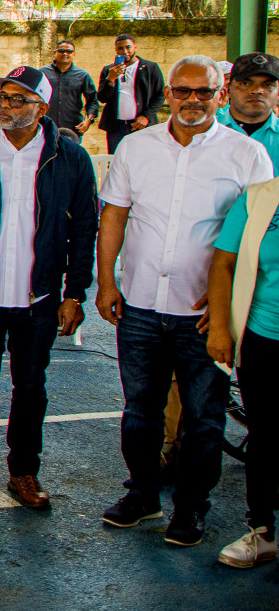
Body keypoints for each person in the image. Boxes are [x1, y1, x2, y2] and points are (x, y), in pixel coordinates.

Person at [96, 57, 271, 546]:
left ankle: (192, 507)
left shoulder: (247, 155)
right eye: (183, 90)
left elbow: (255, 240)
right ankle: (143, 494)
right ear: (168, 94)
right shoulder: (136, 147)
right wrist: (106, 283)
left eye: (204, 91)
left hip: (203, 315)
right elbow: (114, 217)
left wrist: (227, 305)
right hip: (140, 306)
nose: (193, 100)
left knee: (204, 418)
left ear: (221, 94)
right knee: (140, 412)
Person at [0, 65, 98, 508]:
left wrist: (75, 294)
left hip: (40, 296)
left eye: (18, 99)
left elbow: (85, 230)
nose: (6, 106)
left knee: (31, 385)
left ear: (42, 108)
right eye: (1, 97)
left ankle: (24, 470)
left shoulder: (71, 158)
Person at [203, 163, 279, 569]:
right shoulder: (259, 198)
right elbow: (223, 264)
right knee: (265, 436)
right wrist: (220, 328)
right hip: (264, 337)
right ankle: (261, 531)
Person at [96, 33, 165, 152]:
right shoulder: (109, 70)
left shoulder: (150, 68)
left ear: (135, 47)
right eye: (120, 48)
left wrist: (146, 116)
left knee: (143, 158)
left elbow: (160, 94)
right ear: (116, 50)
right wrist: (110, 79)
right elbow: (102, 98)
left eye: (128, 47)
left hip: (141, 125)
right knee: (116, 159)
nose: (125, 51)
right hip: (116, 128)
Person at [216, 52, 279, 164]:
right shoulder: (205, 134)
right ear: (228, 89)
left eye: (268, 85)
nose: (257, 91)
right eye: (245, 83)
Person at [40, 39, 99, 144]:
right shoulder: (42, 73)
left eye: (69, 51)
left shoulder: (82, 75)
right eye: (61, 51)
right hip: (46, 127)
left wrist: (88, 120)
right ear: (55, 52)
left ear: (74, 54)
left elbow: (93, 101)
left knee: (71, 154)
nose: (65, 54)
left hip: (72, 129)